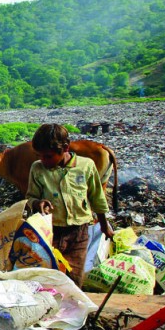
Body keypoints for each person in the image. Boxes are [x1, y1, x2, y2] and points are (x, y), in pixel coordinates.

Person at [26, 123, 114, 287]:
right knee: (48, 278)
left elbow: (97, 197)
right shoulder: (37, 169)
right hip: (50, 232)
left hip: (78, 232)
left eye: (48, 156)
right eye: (40, 156)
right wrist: (38, 203)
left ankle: (75, 311)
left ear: (65, 148)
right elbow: (30, 197)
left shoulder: (85, 166)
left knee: (74, 278)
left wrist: (104, 225)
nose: (43, 161)